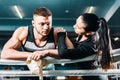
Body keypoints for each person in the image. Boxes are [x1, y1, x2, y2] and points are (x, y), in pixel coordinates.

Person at [1, 7, 66, 80]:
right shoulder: (23, 32)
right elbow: (5, 53)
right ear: (33, 23)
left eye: (48, 24)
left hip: (48, 73)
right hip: (28, 72)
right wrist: (33, 55)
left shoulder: (56, 33)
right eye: (42, 24)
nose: (46, 27)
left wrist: (47, 52)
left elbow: (71, 52)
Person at [56, 13, 112, 80]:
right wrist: (65, 36)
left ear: (89, 33)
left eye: (78, 27)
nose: (74, 26)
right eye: (76, 23)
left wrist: (61, 35)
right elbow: (73, 49)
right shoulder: (82, 35)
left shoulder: (91, 45)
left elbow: (63, 53)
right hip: (87, 76)